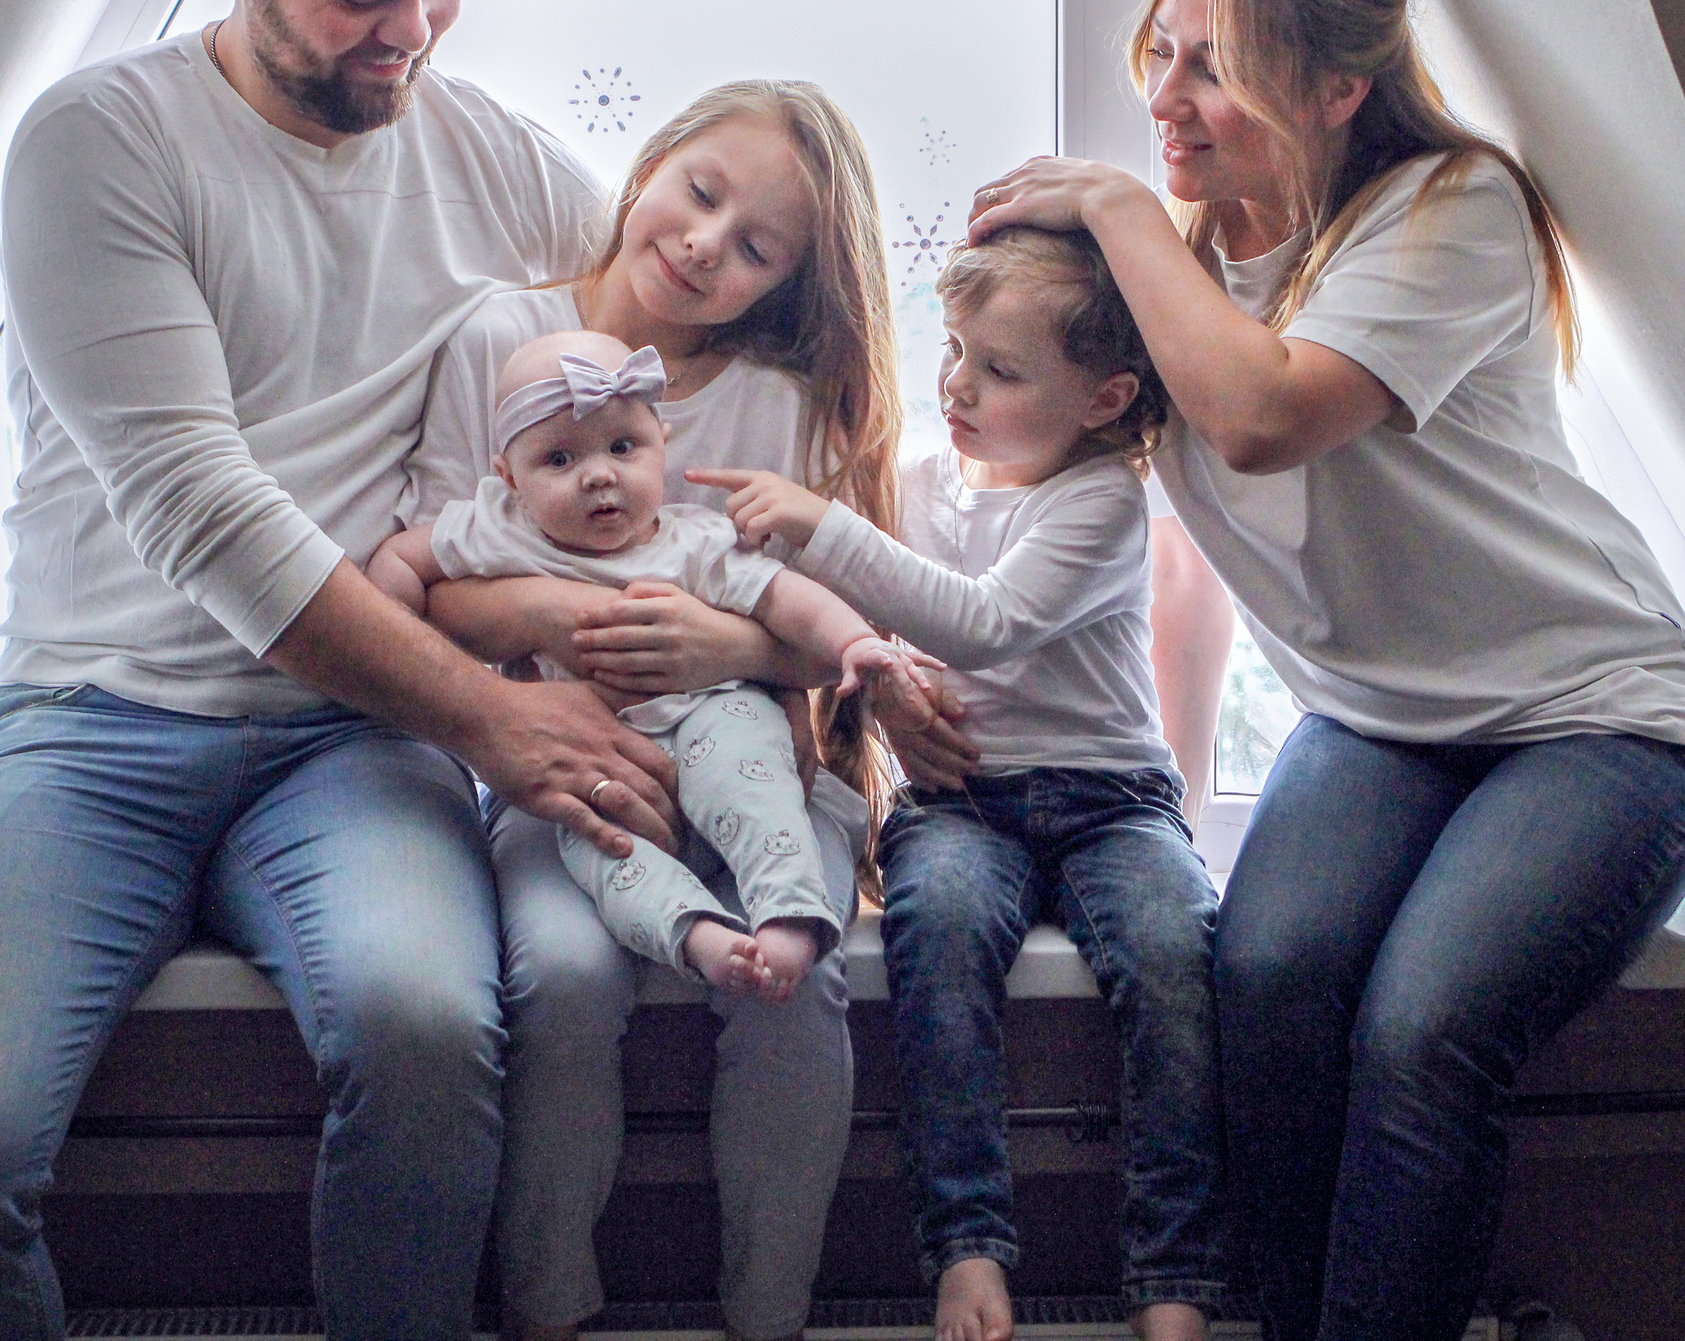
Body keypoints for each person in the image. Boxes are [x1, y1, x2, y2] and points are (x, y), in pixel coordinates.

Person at [0, 0, 672, 1341]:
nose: (414, 33)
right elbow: (200, 509)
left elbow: (689, 347)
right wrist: (493, 712)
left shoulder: (489, 154)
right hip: (91, 725)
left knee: (431, 1032)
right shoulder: (100, 142)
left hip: (351, 748)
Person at [967, 0, 1685, 1341]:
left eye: (1217, 64)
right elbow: (1181, 555)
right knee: (1257, 984)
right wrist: (1163, 795)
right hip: (1381, 721)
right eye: (1163, 53)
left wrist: (1122, 206)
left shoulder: (1452, 209)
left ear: (1337, 86)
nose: (1170, 97)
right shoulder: (1178, 277)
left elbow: (1261, 420)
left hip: (1597, 718)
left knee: (1425, 1027)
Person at [397, 79, 914, 1341]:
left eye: (755, 248)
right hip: (561, 772)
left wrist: (717, 640)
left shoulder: (774, 403)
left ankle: (768, 1305)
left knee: (800, 977)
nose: (702, 245)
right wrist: (553, 621)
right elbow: (429, 597)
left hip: (749, 761)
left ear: (782, 287)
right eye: (700, 194)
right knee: (564, 985)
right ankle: (548, 1299)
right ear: (650, 168)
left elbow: (808, 644)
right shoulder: (495, 342)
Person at [699, 225, 1224, 1341]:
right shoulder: (924, 480)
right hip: (959, 805)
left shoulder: (1102, 500)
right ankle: (968, 1247)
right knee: (930, 944)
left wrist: (823, 523)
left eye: (1000, 369)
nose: (957, 384)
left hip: (1109, 800)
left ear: (1104, 396)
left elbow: (983, 625)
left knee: (1177, 958)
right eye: (952, 350)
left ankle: (1173, 1273)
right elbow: (857, 622)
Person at [371, 331, 933, 994]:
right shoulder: (499, 529)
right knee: (599, 847)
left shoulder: (694, 539)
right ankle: (696, 935)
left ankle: (788, 910)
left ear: (661, 443)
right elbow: (403, 560)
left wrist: (853, 642)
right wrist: (402, 636)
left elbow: (790, 599)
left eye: (621, 446)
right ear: (510, 479)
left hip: (712, 712)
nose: (600, 473)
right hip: (593, 753)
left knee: (748, 779)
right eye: (559, 457)